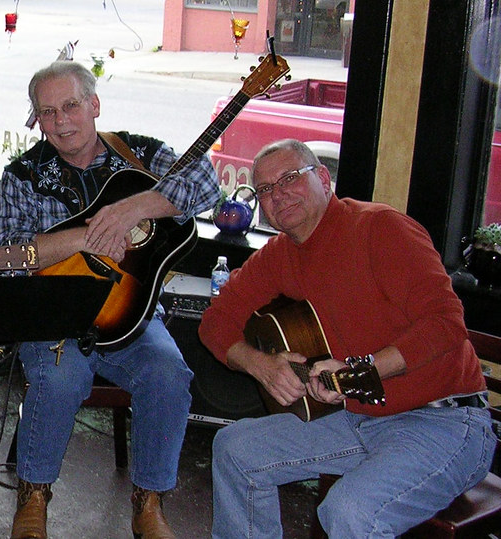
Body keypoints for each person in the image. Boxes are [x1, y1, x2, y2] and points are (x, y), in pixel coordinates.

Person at [198, 139, 496, 537]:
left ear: (323, 178)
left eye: (289, 178)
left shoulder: (381, 228)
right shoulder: (279, 254)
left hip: (445, 421)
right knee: (235, 450)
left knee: (349, 511)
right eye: (266, 189)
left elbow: (446, 322)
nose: (278, 194)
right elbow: (215, 322)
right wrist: (261, 365)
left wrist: (362, 371)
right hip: (360, 418)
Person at [0, 60, 222, 539]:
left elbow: (205, 184)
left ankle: (150, 501)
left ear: (94, 104)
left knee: (169, 374)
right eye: (48, 112)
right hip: (54, 312)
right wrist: (87, 237)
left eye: (71, 106)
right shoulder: (22, 175)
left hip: (133, 311)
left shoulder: (138, 154)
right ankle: (33, 494)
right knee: (59, 378)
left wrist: (133, 208)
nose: (61, 121)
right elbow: (10, 255)